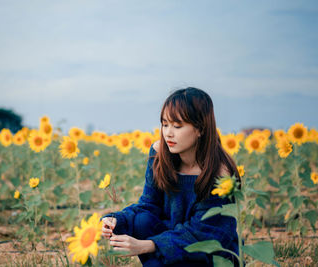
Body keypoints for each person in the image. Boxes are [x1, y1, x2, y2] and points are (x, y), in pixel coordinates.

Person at [101, 87, 240, 266]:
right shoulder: (160, 154)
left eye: (177, 126)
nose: (168, 133)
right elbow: (148, 205)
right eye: (165, 124)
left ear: (201, 129)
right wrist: (117, 219)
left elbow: (202, 234)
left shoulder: (220, 174)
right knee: (141, 221)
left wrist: (149, 245)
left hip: (210, 255)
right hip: (171, 245)